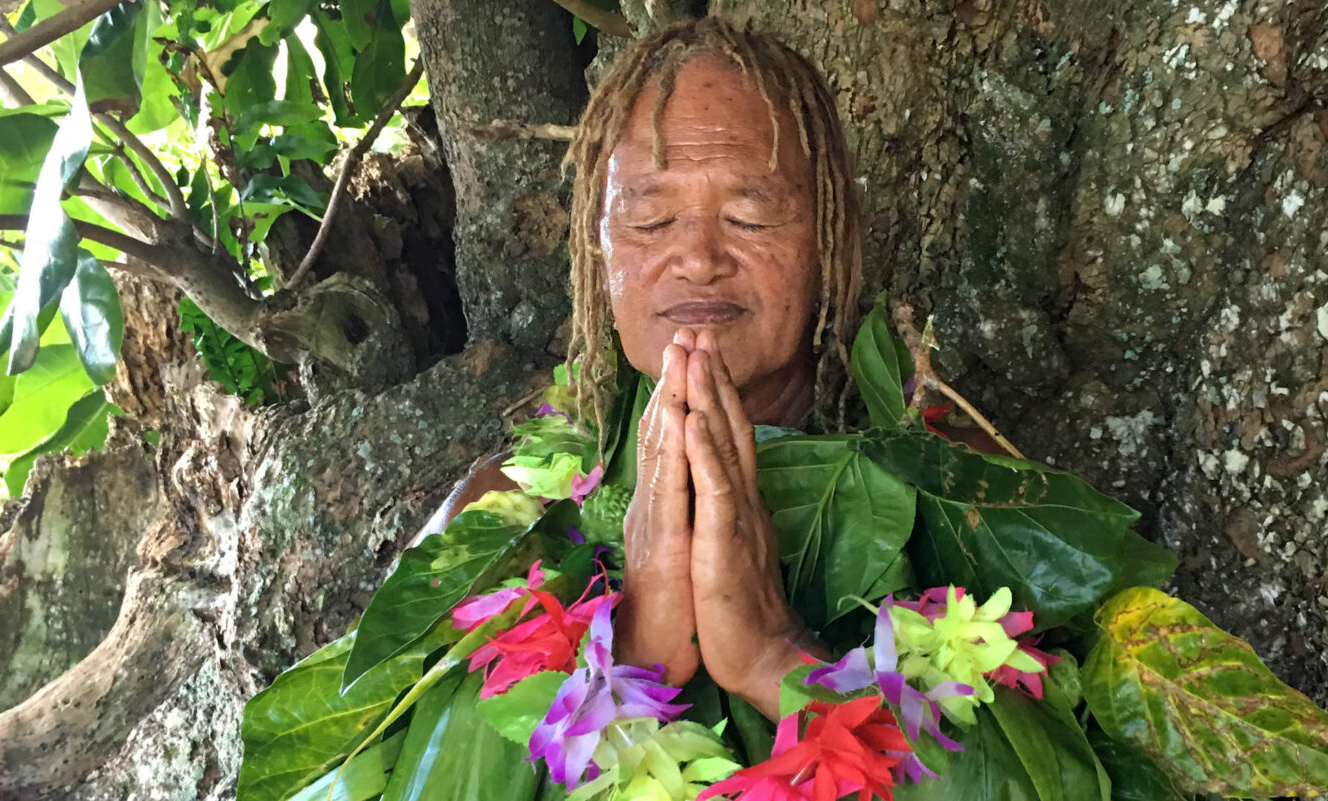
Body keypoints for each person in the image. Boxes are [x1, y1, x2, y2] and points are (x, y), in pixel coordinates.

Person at [421, 19, 989, 720]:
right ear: (598, 255)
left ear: (831, 238)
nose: (698, 258)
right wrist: (635, 650)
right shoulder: (496, 514)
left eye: (751, 217)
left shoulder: (971, 496)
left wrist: (772, 657)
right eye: (652, 220)